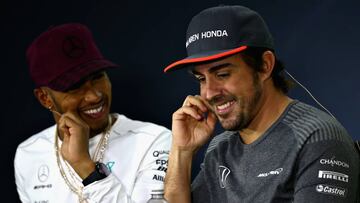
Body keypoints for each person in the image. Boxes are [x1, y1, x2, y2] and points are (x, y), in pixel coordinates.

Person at [163, 5, 359, 202]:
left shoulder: (318, 139)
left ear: (265, 66)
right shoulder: (220, 147)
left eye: (222, 74)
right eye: (201, 79)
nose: (209, 93)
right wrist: (182, 151)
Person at [14, 23, 171, 203]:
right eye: (75, 87)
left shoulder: (153, 140)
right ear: (44, 98)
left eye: (98, 77)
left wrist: (85, 168)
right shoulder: (29, 153)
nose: (94, 96)